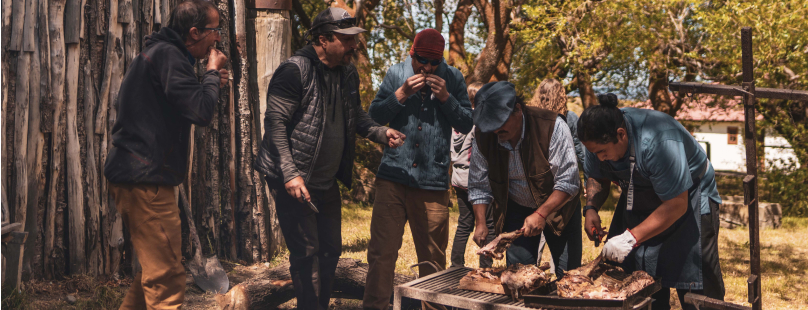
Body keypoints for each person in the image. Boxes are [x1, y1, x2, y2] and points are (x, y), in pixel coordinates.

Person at [253, 8, 405, 310]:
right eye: (346, 39)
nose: (354, 45)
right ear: (323, 39)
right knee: (306, 252)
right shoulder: (294, 71)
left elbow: (356, 116)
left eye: (355, 39)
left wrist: (379, 132)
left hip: (325, 180)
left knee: (330, 250)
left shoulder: (348, 72)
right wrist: (290, 174)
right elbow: (275, 123)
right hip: (293, 178)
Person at [103, 1, 228, 308]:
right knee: (167, 277)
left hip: (144, 177)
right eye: (215, 31)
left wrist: (209, 82)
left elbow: (187, 100)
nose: (219, 39)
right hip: (145, 179)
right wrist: (212, 74)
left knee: (155, 274)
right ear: (195, 32)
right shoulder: (169, 56)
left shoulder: (165, 54)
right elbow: (200, 111)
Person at [578, 93, 725, 309]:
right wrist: (591, 208)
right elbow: (597, 175)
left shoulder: (658, 139)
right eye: (594, 153)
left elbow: (676, 204)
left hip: (688, 197)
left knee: (696, 284)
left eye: (602, 152)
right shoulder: (596, 142)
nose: (599, 157)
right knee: (640, 282)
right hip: (639, 196)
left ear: (621, 134)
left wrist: (630, 238)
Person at [364, 28, 473, 310]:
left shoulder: (455, 78)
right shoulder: (395, 74)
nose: (426, 67)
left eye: (433, 62)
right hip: (392, 177)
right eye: (422, 60)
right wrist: (400, 94)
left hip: (433, 182)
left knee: (433, 261)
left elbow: (466, 124)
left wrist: (447, 99)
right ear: (412, 54)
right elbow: (374, 116)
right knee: (381, 254)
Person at [469, 81, 582, 277]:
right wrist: (480, 223)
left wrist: (541, 214)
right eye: (491, 125)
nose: (496, 130)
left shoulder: (552, 126)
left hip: (559, 209)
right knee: (518, 276)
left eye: (500, 123)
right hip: (516, 209)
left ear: (518, 110)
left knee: (568, 275)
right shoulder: (483, 136)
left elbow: (569, 181)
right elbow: (479, 185)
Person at [526, 78, 586, 272]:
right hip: (563, 197)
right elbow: (580, 154)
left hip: (536, 190)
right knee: (567, 258)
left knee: (533, 246)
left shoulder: (529, 118)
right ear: (562, 96)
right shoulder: (570, 119)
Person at [449, 82, 496, 269]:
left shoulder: (456, 122)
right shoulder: (477, 122)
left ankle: (456, 264)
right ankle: (486, 266)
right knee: (488, 224)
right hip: (476, 180)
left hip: (458, 178)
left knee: (464, 223)